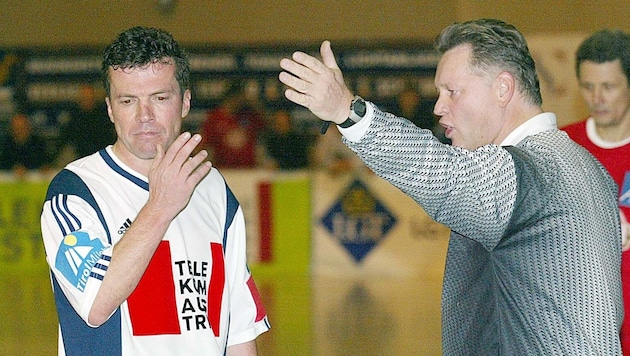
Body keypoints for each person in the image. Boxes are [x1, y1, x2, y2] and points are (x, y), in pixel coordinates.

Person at [279, 19, 623, 354]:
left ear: (503, 88)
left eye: (452, 92)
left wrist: (347, 111)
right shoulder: (590, 167)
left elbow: (441, 172)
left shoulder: (530, 171)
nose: (439, 107)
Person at [40, 26, 270, 356]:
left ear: (186, 101)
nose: (144, 116)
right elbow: (95, 304)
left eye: (160, 98)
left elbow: (239, 331)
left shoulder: (214, 189)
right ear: (109, 108)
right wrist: (161, 206)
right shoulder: (74, 192)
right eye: (128, 100)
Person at [561, 28, 630, 354]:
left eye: (609, 87)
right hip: (581, 328)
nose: (597, 98)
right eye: (588, 87)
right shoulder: (558, 147)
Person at [199, 84, 266, 169]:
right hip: (223, 169)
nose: (239, 101)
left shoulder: (249, 115)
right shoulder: (215, 118)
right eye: (237, 98)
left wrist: (254, 104)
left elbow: (268, 125)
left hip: (248, 169)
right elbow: (204, 144)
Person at [58, 83, 117, 161]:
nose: (86, 98)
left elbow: (111, 136)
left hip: (103, 157)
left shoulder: (103, 116)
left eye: (89, 95)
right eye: (84, 95)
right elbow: (65, 137)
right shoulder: (75, 117)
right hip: (82, 158)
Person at [0, 112, 52, 177]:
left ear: (28, 127)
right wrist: (13, 168)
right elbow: (3, 162)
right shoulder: (5, 144)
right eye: (17, 128)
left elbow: (45, 161)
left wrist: (45, 167)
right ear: (11, 129)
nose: (20, 130)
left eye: (23, 127)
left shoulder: (38, 143)